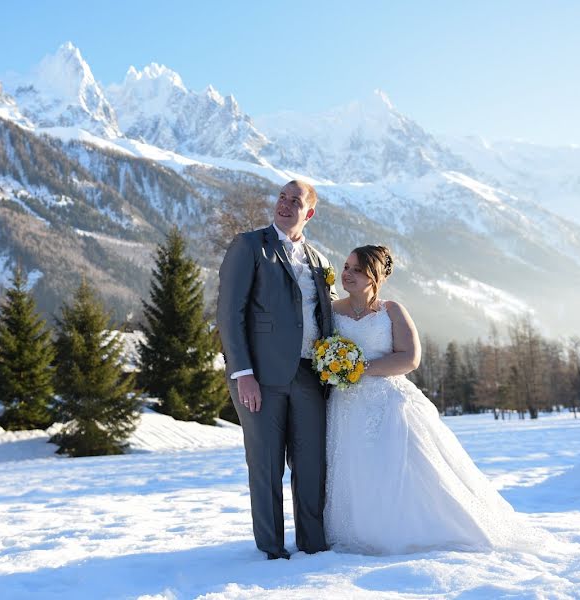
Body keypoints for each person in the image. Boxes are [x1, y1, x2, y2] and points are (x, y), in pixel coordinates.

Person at [325, 245, 546, 554]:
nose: (347, 274)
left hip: (388, 401)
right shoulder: (333, 311)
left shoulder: (391, 311)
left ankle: (410, 528)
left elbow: (410, 358)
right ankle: (359, 530)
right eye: (346, 267)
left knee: (401, 465)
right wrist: (336, 368)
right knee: (352, 466)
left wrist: (358, 369)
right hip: (346, 405)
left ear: (374, 276)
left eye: (356, 270)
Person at [217, 180, 338, 560]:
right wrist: (243, 374)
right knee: (266, 465)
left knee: (311, 465)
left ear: (309, 213)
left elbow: (325, 317)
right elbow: (229, 315)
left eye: (294, 200)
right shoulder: (250, 247)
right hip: (261, 378)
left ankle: (313, 544)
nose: (285, 205)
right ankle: (271, 549)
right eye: (282, 198)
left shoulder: (319, 262)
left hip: (309, 377)